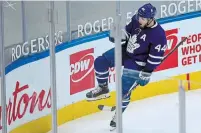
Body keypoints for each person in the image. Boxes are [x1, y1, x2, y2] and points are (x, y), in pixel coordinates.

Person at [86, 3, 167, 130]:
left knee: (123, 90)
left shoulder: (159, 35)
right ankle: (103, 87)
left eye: (143, 18)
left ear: (151, 19)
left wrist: (146, 73)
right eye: (139, 17)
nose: (139, 19)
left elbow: (155, 57)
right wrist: (118, 36)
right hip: (125, 52)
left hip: (137, 63)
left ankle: (117, 115)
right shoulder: (137, 20)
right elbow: (127, 32)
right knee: (100, 62)